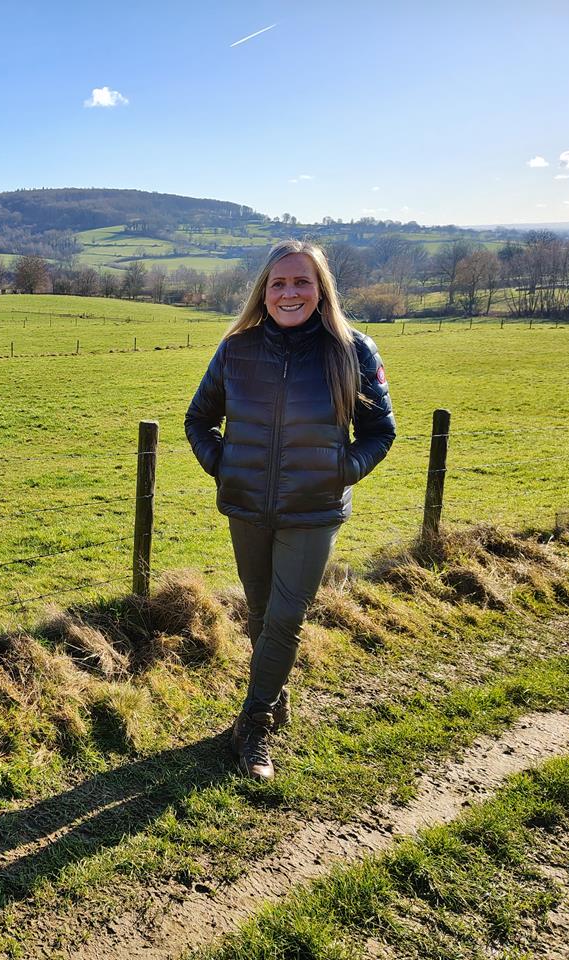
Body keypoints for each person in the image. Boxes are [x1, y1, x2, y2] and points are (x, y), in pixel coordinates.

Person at [184, 240, 396, 781]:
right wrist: (225, 467)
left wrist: (340, 471)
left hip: (313, 511)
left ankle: (253, 725)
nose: (289, 293)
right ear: (264, 292)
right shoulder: (237, 350)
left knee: (284, 617)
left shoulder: (353, 351)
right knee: (260, 613)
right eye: (278, 283)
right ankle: (274, 699)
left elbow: (380, 432)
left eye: (302, 281)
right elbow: (198, 420)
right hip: (247, 508)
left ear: (321, 289)